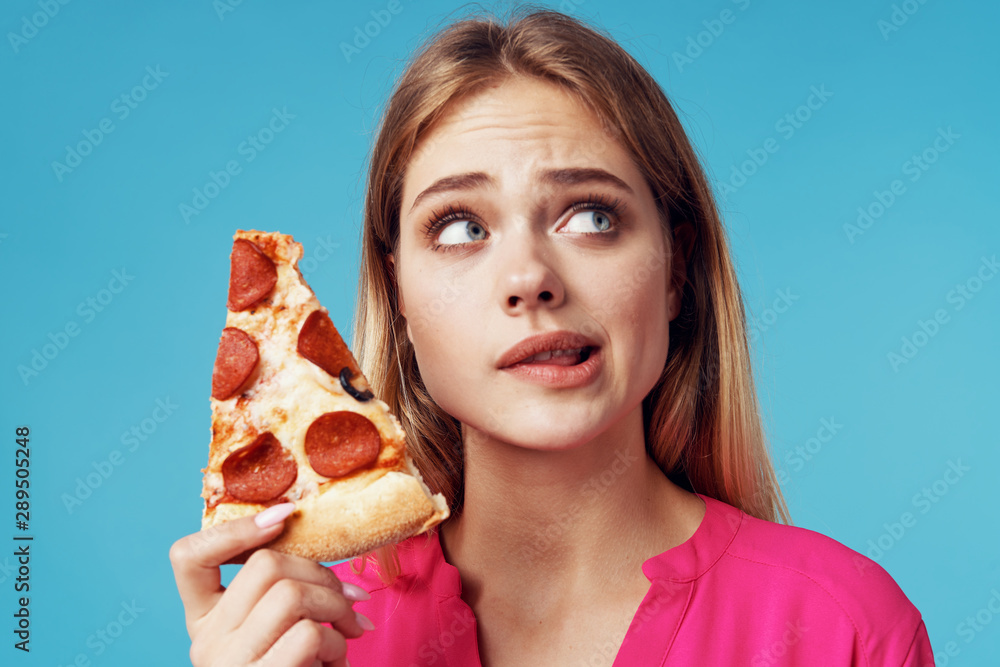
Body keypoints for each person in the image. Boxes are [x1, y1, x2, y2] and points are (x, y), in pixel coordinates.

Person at [170, 7, 934, 666]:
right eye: (462, 227)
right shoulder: (311, 638)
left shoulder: (841, 625)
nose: (530, 276)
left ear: (676, 270)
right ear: (399, 292)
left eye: (591, 216)